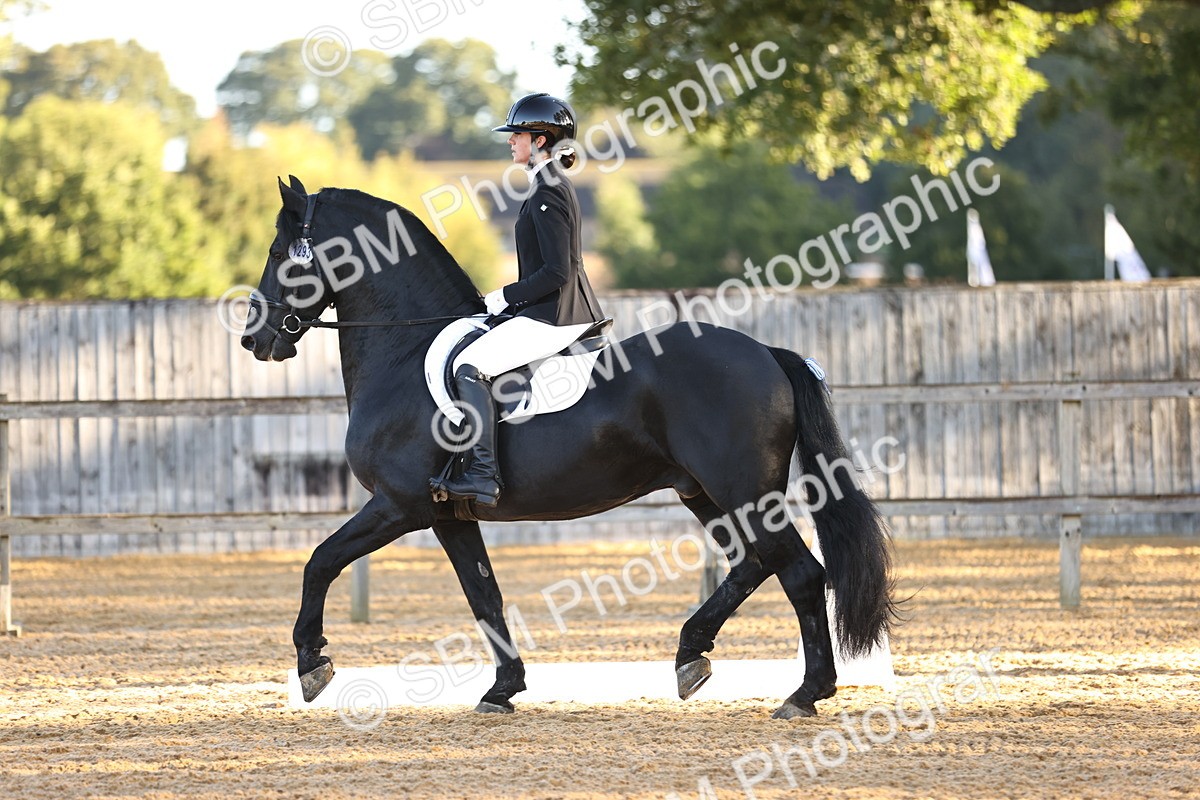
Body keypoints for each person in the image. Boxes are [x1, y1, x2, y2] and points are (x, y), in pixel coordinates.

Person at [437, 92, 605, 507]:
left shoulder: (549, 190)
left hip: (556, 316)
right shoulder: (547, 186)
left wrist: (503, 297)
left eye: (518, 135)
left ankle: (482, 474)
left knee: (468, 365)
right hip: (548, 311)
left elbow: (556, 272)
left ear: (542, 139)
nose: (510, 141)